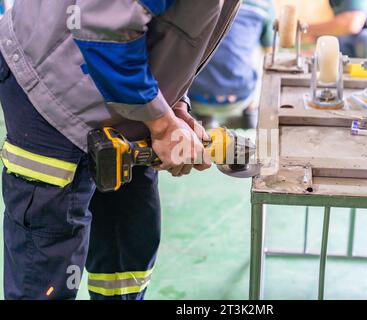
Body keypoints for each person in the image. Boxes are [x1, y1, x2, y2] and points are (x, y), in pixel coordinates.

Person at [0, 0, 240, 300]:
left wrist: (173, 104)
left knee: (127, 246)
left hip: (127, 101)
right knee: (46, 267)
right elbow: (101, 26)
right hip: (52, 89)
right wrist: (162, 124)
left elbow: (172, 25)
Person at [188, 0, 276, 129]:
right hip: (240, 95)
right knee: (261, 50)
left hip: (192, 95)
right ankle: (251, 109)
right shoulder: (264, 3)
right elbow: (271, 51)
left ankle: (204, 117)